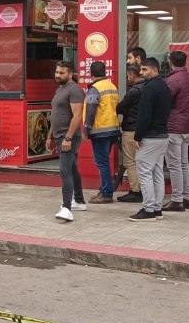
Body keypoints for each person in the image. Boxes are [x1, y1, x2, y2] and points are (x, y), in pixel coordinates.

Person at [130, 58, 171, 221]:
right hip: (163, 135)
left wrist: (137, 136)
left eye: (144, 69)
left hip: (151, 136)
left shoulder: (149, 88)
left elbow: (144, 115)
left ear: (154, 70)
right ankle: (156, 208)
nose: (141, 72)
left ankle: (148, 209)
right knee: (157, 172)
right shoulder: (164, 86)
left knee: (145, 172)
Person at [50, 61, 87, 222]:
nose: (58, 75)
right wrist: (49, 135)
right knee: (72, 168)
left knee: (65, 171)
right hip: (59, 136)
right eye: (57, 72)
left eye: (62, 73)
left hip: (68, 136)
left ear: (70, 74)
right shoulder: (60, 89)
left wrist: (68, 137)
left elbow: (77, 116)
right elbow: (56, 113)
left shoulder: (75, 90)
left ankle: (67, 208)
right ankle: (79, 201)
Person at [83, 61, 121, 205]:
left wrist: (86, 129)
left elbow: (91, 111)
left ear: (91, 73)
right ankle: (104, 190)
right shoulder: (112, 86)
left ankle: (106, 193)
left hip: (100, 131)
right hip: (112, 129)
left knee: (102, 163)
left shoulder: (95, 89)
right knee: (104, 162)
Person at [163, 51, 189, 212]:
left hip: (174, 126)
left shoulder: (172, 80)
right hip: (187, 126)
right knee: (184, 163)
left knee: (174, 164)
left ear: (170, 62)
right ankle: (187, 197)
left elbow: (165, 102)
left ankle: (177, 199)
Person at [116, 64, 145, 203]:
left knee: (130, 161)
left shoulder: (134, 90)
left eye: (128, 75)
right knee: (143, 162)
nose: (127, 78)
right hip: (145, 129)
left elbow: (120, 107)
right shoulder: (148, 87)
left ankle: (136, 191)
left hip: (131, 129)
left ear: (133, 74)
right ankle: (145, 189)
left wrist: (125, 111)